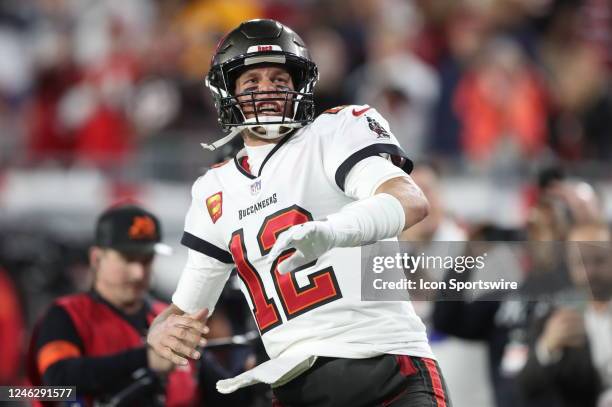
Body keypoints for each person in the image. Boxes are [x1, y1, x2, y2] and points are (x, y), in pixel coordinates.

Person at [147, 19, 452, 407]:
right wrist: (161, 331)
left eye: (278, 79)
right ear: (227, 92)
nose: (267, 91)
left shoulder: (335, 131)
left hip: (385, 371)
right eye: (251, 83)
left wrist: (331, 231)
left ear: (299, 86)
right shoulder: (214, 189)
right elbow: (184, 312)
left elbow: (410, 200)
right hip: (296, 391)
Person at [27, 204, 199, 406]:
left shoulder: (170, 318)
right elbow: (57, 383)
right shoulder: (67, 316)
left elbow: (213, 388)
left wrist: (243, 373)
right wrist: (146, 359)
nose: (139, 273)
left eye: (146, 260)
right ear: (96, 259)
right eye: (128, 259)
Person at [517, 223, 612, 407]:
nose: (589, 272)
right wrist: (547, 347)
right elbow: (526, 387)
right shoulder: (553, 319)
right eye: (580, 263)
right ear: (569, 264)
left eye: (599, 260)